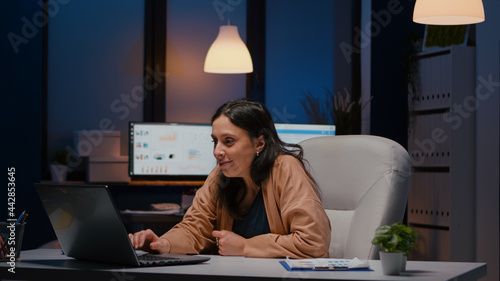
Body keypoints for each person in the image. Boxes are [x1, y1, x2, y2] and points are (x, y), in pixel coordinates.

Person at [129, 99, 331, 258]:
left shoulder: (285, 167)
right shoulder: (220, 174)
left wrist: (245, 246)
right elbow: (194, 228)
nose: (217, 151)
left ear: (259, 143)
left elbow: (313, 243)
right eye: (215, 141)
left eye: (228, 141)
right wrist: (163, 244)